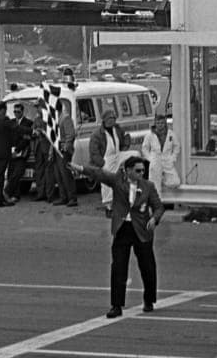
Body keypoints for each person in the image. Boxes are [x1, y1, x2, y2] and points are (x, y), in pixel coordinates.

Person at [71, 155, 165, 318]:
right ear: (128, 171)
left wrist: (154, 219)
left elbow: (158, 207)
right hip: (123, 228)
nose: (141, 173)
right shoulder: (118, 181)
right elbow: (99, 174)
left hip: (142, 230)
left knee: (147, 267)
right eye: (137, 170)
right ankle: (116, 305)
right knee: (118, 267)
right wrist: (80, 169)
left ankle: (148, 300)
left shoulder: (148, 186)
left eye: (142, 170)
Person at [89, 109, 129, 217]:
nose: (113, 120)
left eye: (114, 118)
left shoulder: (118, 129)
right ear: (105, 119)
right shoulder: (97, 134)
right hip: (106, 160)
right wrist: (102, 163)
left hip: (117, 156)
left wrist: (124, 149)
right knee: (107, 185)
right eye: (111, 118)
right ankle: (109, 208)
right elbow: (94, 152)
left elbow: (126, 136)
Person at [47, 99, 78, 206]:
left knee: (66, 174)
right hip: (57, 149)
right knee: (58, 175)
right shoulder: (56, 119)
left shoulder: (65, 118)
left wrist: (65, 147)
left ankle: (72, 198)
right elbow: (53, 137)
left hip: (63, 150)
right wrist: (51, 151)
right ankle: (63, 196)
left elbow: (71, 134)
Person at [142, 114, 180, 190]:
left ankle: (162, 179)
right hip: (155, 160)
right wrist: (150, 159)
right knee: (155, 187)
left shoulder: (171, 134)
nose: (160, 125)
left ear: (165, 124)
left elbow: (176, 146)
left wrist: (173, 158)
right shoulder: (150, 135)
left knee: (175, 182)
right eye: (158, 123)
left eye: (162, 123)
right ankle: (157, 200)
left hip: (167, 160)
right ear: (155, 124)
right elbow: (144, 148)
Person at [5, 103, 33, 203]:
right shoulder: (12, 122)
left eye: (18, 112)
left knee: (17, 173)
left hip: (22, 152)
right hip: (12, 152)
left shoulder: (28, 122)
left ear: (22, 112)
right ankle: (14, 195)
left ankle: (7, 191)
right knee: (11, 174)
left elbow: (26, 138)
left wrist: (17, 149)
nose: (16, 114)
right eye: (15, 112)